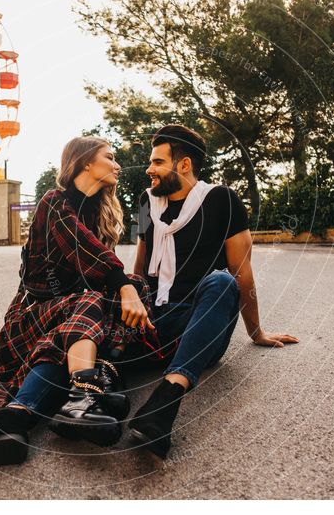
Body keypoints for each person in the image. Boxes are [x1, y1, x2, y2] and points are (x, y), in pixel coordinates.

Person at [0, 136, 159, 467]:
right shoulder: (55, 202)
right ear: (85, 162)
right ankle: (86, 392)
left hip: (68, 324)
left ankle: (15, 421)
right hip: (32, 314)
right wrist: (123, 288)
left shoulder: (99, 210)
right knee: (93, 301)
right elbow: (87, 251)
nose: (117, 164)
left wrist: (129, 289)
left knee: (118, 298)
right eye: (109, 157)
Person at [124, 124, 299, 459]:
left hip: (201, 325)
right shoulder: (148, 202)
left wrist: (256, 331)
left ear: (184, 165)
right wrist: (130, 299)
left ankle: (165, 400)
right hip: (155, 320)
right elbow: (140, 264)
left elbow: (242, 274)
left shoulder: (221, 200)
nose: (149, 169)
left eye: (158, 162)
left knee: (221, 282)